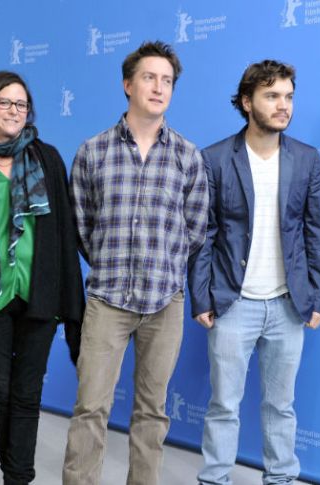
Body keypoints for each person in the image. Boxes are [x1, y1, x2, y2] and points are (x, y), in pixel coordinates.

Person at [63, 40, 209, 485]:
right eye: (149, 78)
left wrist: (161, 265)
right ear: (128, 85)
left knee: (152, 411)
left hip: (165, 303)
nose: (159, 87)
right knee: (91, 406)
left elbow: (194, 230)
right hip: (107, 299)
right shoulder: (93, 152)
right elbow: (82, 225)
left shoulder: (188, 156)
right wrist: (114, 262)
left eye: (167, 81)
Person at [187, 59, 320, 485]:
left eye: (288, 96)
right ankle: (214, 480)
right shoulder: (214, 159)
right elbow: (203, 234)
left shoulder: (307, 159)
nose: (283, 105)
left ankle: (281, 479)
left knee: (280, 406)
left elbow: (319, 231)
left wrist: (318, 296)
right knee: (223, 405)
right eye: (272, 96)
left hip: (289, 304)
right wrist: (201, 297)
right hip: (232, 303)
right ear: (247, 102)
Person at [0, 70, 84, 485]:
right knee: (2, 393)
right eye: (4, 102)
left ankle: (17, 476)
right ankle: (14, 464)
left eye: (21, 104)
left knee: (27, 395)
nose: (13, 111)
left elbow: (63, 233)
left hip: (37, 293)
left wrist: (68, 298)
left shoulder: (47, 158)